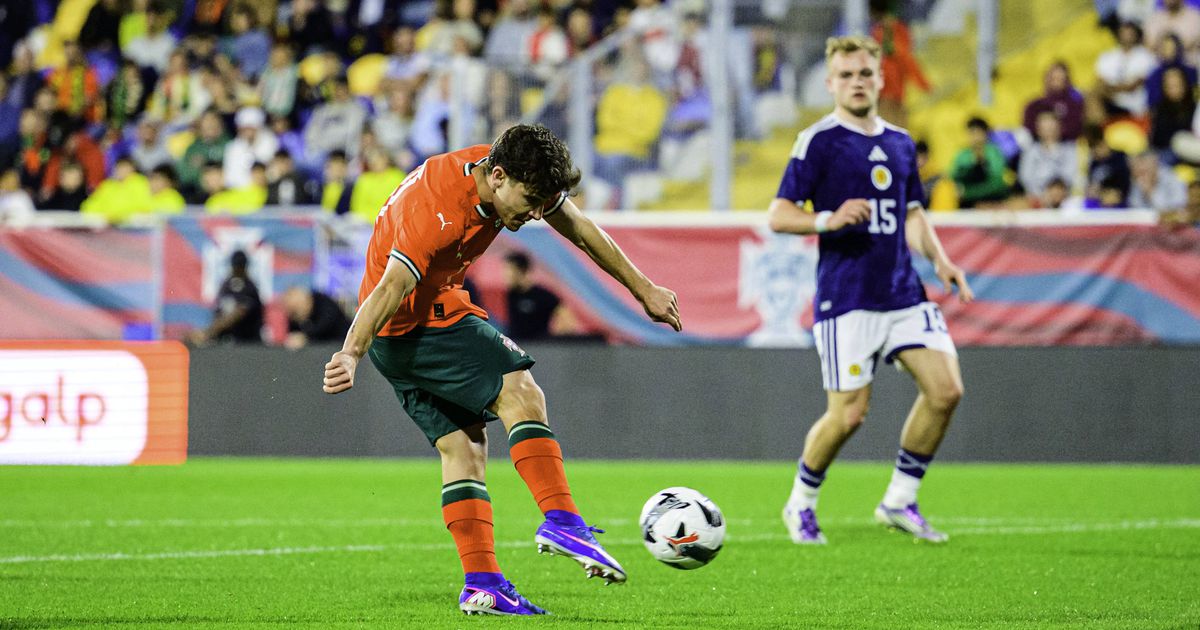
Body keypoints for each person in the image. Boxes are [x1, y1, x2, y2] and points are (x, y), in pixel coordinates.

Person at [321, 124, 681, 616]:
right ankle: (562, 520)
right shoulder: (437, 208)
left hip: (398, 338)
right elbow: (390, 288)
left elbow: (579, 228)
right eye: (531, 201)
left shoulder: (504, 169)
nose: (535, 214)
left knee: (464, 449)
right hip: (416, 322)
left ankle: (483, 584)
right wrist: (350, 352)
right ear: (498, 176)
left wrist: (645, 290)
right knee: (521, 390)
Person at [767, 36, 974, 545]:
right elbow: (779, 214)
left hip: (904, 292)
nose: (856, 82)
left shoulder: (902, 143)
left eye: (865, 74)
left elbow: (913, 215)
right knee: (849, 415)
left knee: (946, 390)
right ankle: (800, 504)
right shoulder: (818, 141)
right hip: (848, 297)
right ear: (831, 82)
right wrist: (828, 219)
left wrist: (941, 259)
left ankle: (900, 500)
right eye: (846, 75)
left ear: (880, 79)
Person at [188, 250, 264, 345]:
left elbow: (239, 312)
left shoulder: (247, 286)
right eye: (237, 266)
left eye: (239, 266)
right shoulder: (227, 284)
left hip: (245, 342)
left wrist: (210, 331)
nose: (237, 269)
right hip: (225, 341)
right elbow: (220, 311)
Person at [503, 251, 571, 341]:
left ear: (521, 270)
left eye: (509, 270)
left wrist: (557, 339)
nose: (505, 275)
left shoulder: (542, 295)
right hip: (517, 346)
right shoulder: (511, 294)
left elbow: (567, 318)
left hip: (538, 348)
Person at [282, 286, 351, 349]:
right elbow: (293, 336)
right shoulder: (294, 317)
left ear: (306, 299)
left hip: (344, 344)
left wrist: (305, 337)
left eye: (298, 306)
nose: (298, 313)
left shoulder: (323, 303)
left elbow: (324, 326)